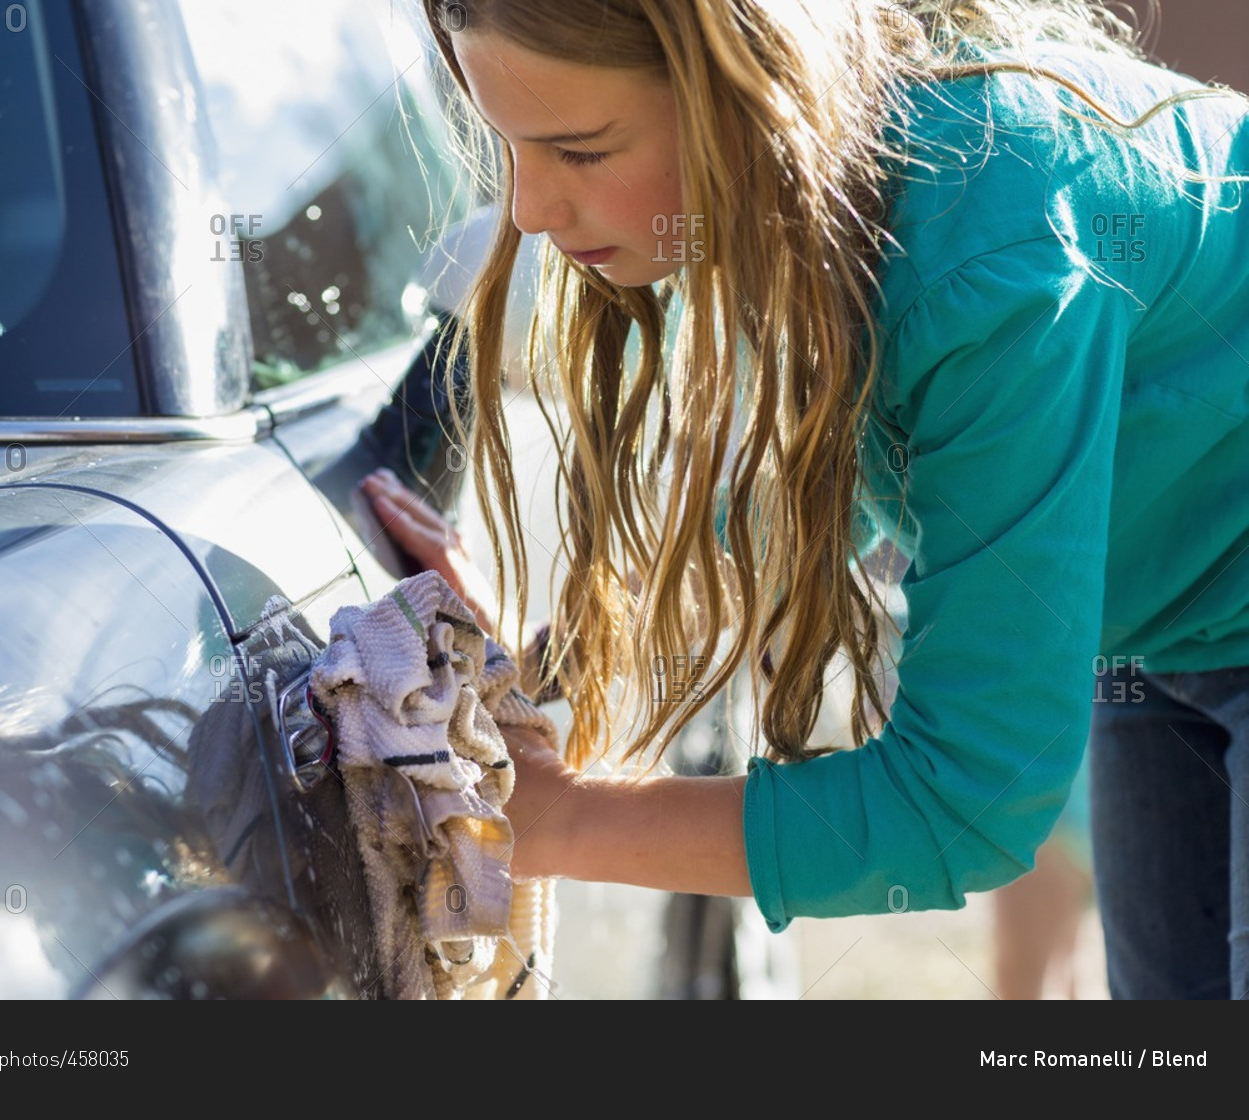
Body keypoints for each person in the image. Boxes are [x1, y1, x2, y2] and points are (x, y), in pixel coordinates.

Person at [360, 0, 1249, 999]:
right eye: (507, 146)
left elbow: (962, 805)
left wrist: (563, 822)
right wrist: (526, 666)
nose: (526, 210)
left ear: (746, 99)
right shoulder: (793, 198)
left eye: (579, 149)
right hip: (1173, 622)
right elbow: (778, 515)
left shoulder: (995, 258)